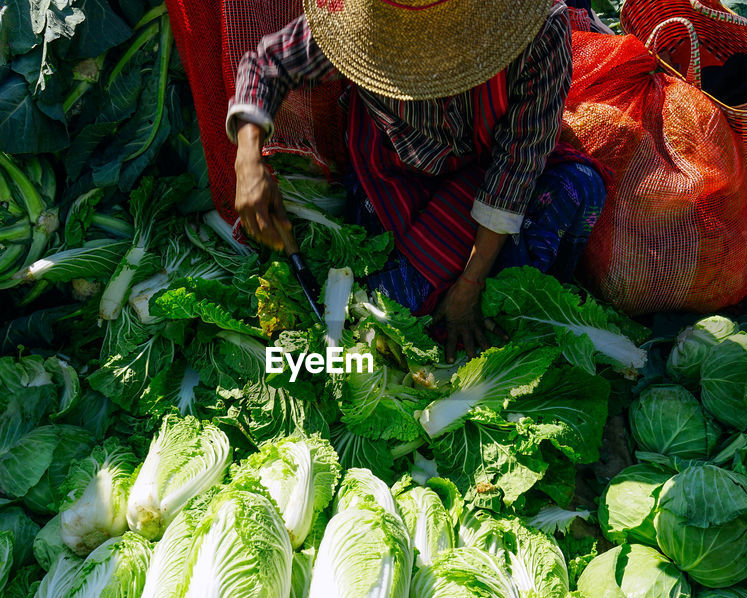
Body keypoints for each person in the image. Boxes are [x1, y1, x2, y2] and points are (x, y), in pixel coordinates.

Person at [229, 0, 607, 360]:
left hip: (488, 168)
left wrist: (470, 284)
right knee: (396, 309)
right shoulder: (361, 20)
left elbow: (518, 162)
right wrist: (248, 162)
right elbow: (267, 63)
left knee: (581, 189)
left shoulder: (537, 26)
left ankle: (491, 286)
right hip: (395, 174)